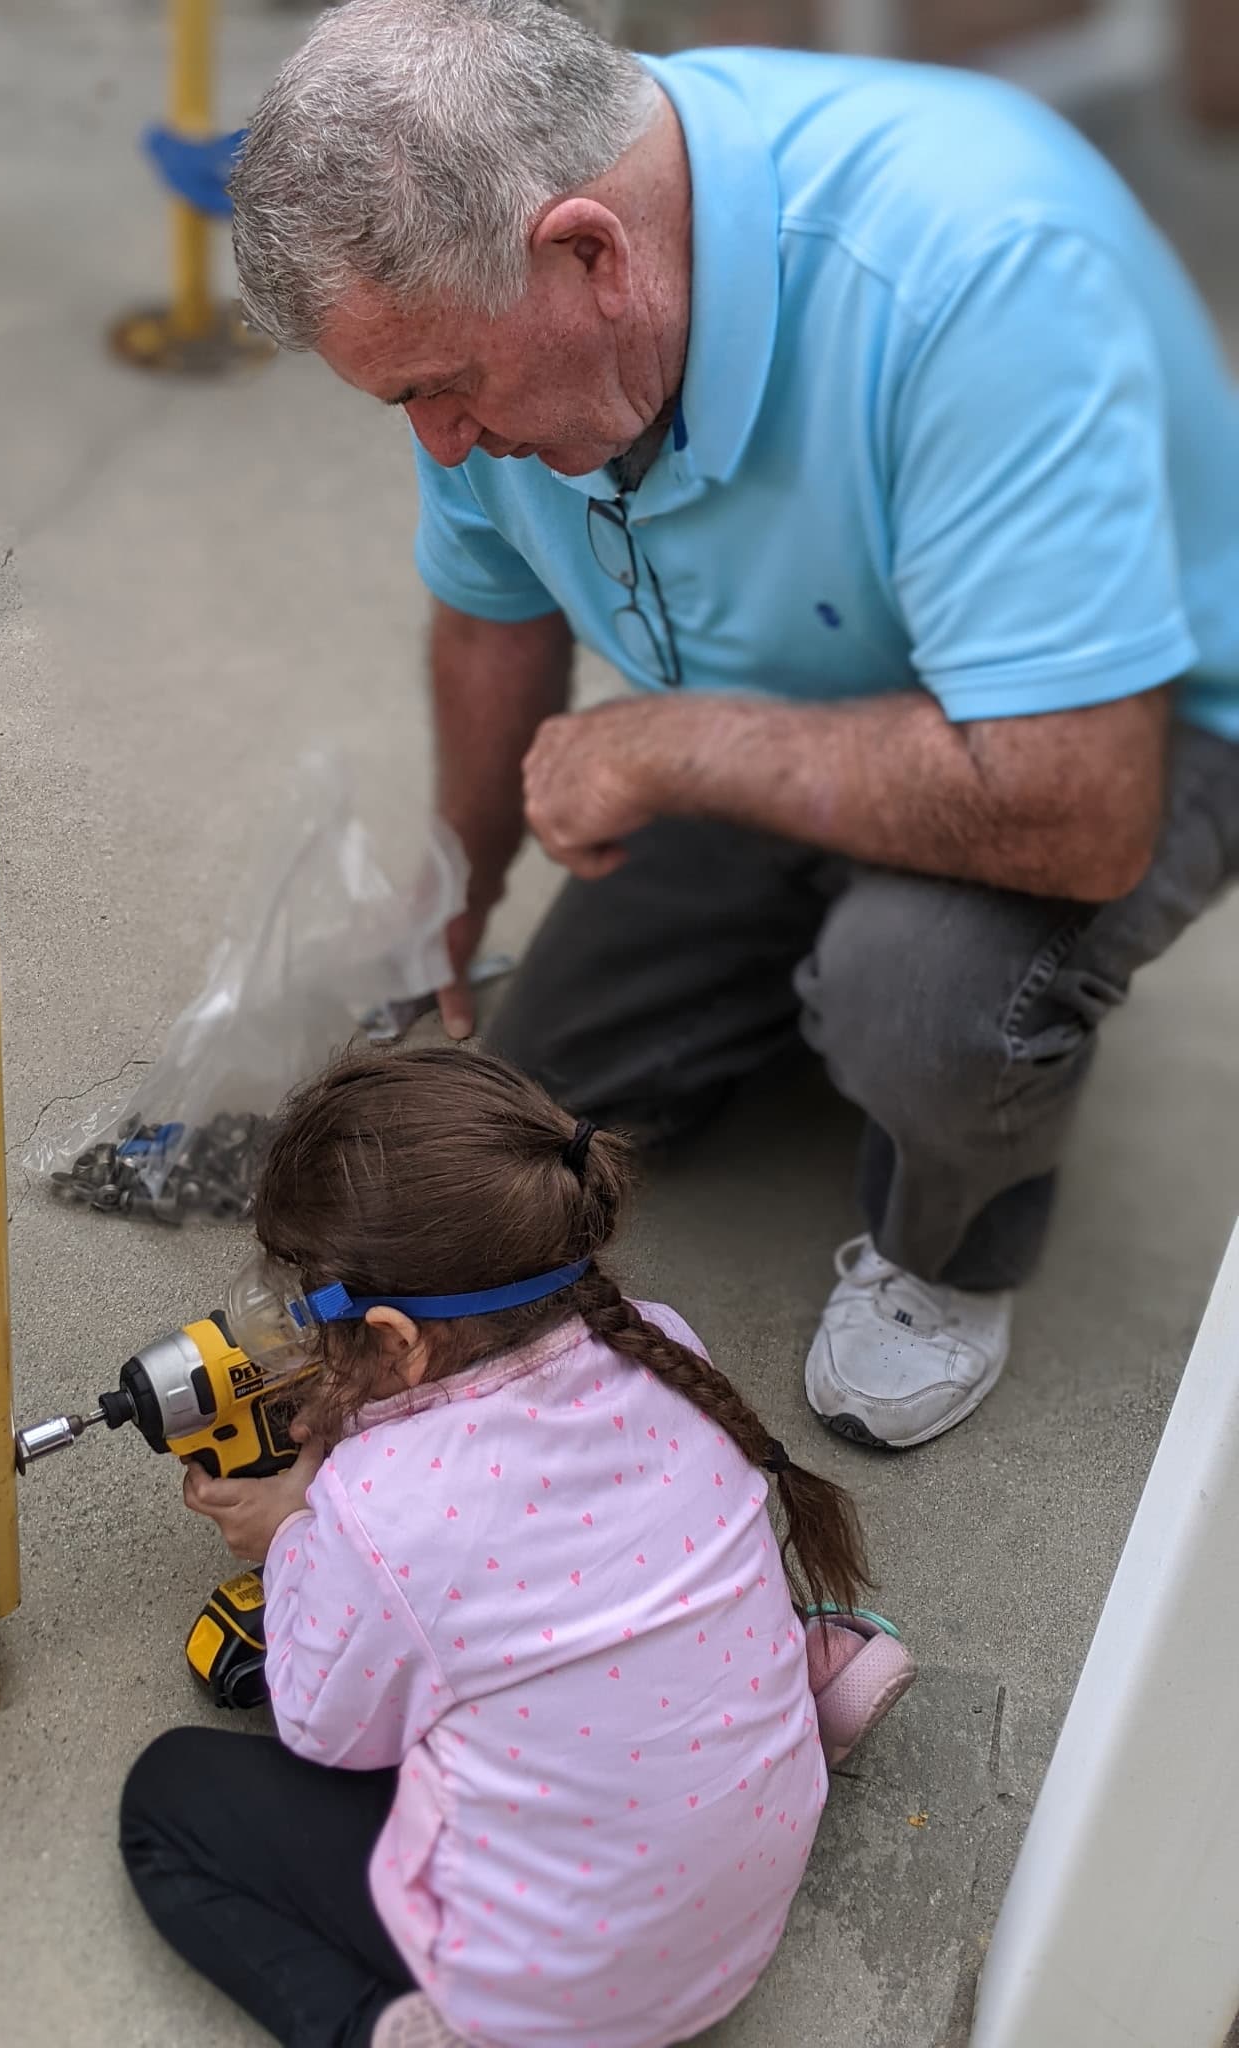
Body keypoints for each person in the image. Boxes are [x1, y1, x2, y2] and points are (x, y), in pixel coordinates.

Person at [227, 0, 1239, 1451]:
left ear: (592, 254)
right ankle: (830, 968)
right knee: (542, 1096)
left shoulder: (981, 271)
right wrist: (458, 888)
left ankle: (954, 1242)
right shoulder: (501, 284)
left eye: (443, 389)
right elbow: (490, 608)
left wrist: (670, 748)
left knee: (918, 998)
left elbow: (1077, 807)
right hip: (791, 689)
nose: (436, 441)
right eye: (401, 400)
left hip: (1132, 723)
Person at [120, 1047, 914, 2048]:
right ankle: (805, 1676)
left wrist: (290, 1534)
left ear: (397, 1341)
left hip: (572, 1991)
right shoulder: (662, 1342)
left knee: (170, 1799)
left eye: (300, 1307)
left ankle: (385, 2029)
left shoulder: (382, 1514)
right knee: (636, 1584)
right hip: (739, 1900)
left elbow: (325, 1730)